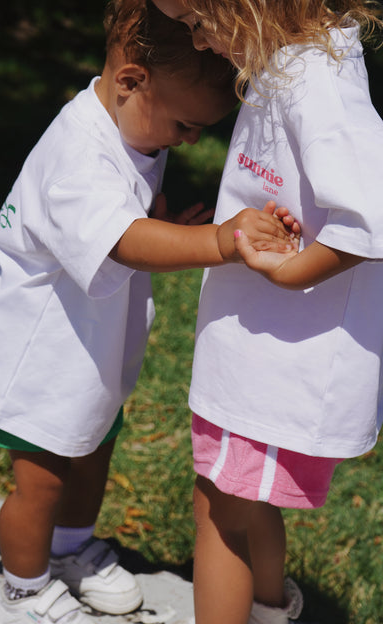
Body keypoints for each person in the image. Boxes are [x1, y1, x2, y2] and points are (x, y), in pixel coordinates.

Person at [0, 1, 300, 623]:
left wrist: (163, 228)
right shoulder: (77, 156)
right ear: (131, 82)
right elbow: (119, 238)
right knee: (41, 482)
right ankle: (21, 590)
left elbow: (118, 226)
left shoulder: (131, 122)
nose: (191, 140)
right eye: (185, 127)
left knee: (91, 452)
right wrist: (218, 242)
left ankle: (69, 551)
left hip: (84, 350)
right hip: (35, 355)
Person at [151, 1, 383, 623]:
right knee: (246, 501)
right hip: (269, 360)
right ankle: (269, 608)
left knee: (218, 511)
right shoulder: (295, 64)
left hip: (278, 364)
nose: (196, 42)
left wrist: (289, 274)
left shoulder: (316, 81)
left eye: (197, 20)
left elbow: (371, 212)